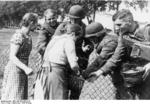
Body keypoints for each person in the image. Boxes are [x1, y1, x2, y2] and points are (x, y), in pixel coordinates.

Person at [53, 5, 94, 99]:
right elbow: (55, 42)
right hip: (63, 62)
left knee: (76, 91)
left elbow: (90, 43)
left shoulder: (85, 28)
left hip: (79, 63)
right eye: (72, 18)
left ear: (82, 18)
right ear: (69, 17)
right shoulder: (63, 26)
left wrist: (88, 48)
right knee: (62, 90)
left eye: (77, 19)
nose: (74, 21)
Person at [80, 21, 127, 99]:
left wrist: (85, 74)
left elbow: (101, 60)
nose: (91, 40)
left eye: (92, 38)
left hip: (115, 77)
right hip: (106, 76)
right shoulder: (103, 39)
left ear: (98, 35)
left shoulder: (110, 42)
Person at [33, 24, 82, 99]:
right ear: (73, 34)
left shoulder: (55, 39)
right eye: (77, 37)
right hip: (56, 73)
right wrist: (78, 72)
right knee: (59, 98)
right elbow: (73, 65)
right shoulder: (69, 40)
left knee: (46, 98)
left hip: (44, 72)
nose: (76, 40)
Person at [112, 9, 150, 99]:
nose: (117, 28)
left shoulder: (147, 30)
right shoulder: (124, 34)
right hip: (132, 76)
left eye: (119, 25)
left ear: (129, 21)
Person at [1, 13, 38, 100]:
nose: (37, 25)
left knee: (20, 97)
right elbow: (12, 56)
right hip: (14, 71)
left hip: (22, 72)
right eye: (36, 23)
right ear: (31, 23)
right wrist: (26, 68)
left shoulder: (28, 37)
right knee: (13, 97)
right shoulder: (18, 36)